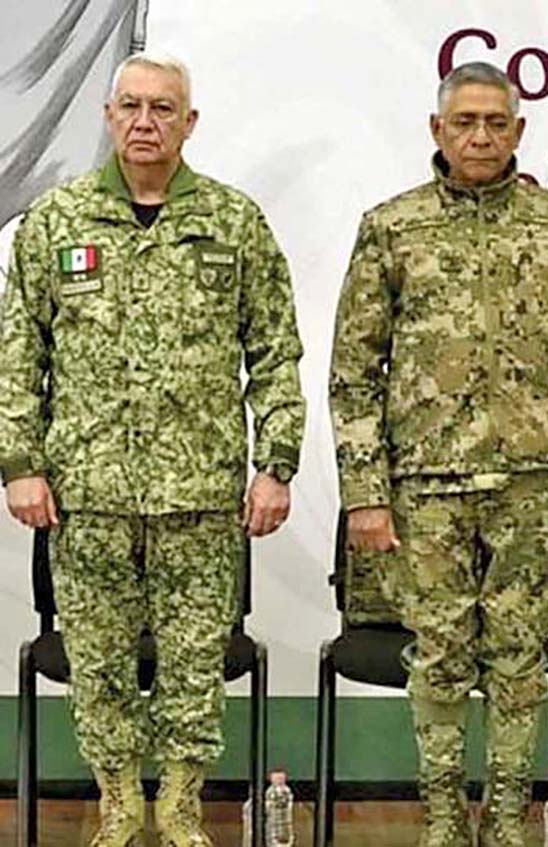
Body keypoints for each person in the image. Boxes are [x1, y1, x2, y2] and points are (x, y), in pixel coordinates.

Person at [0, 52, 305, 847]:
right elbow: (18, 355)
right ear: (109, 116)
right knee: (98, 661)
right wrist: (21, 464)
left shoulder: (232, 223)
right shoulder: (56, 222)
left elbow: (275, 352)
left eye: (163, 108)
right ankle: (116, 804)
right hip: (87, 492)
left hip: (199, 494)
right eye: (131, 106)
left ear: (188, 122)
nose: (145, 122)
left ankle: (178, 804)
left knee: (194, 662)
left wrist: (276, 464)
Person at [328, 61, 548, 847]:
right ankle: (441, 817)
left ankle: (506, 817)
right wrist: (365, 492)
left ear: (519, 131)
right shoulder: (392, 227)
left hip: (533, 484)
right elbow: (354, 372)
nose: (482, 136)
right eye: (466, 122)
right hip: (423, 486)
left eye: (497, 122)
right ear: (438, 130)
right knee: (439, 654)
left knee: (519, 656)